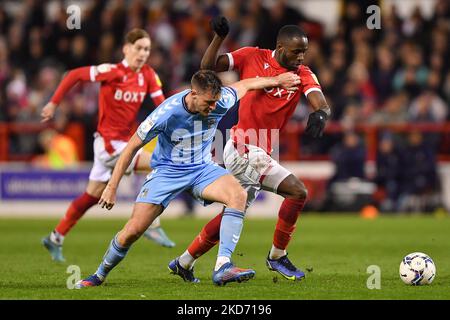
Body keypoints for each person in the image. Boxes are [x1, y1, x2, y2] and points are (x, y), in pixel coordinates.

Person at [75, 69, 301, 288]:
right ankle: (99, 274)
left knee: (238, 196)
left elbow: (246, 84)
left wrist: (278, 80)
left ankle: (223, 266)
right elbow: (131, 147)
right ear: (193, 94)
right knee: (132, 232)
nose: (214, 107)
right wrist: (111, 187)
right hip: (167, 173)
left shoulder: (221, 100)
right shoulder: (167, 113)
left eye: (216, 102)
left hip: (202, 169)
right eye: (208, 103)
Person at [170, 17, 331, 282]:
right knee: (297, 191)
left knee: (234, 211)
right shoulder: (252, 56)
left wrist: (321, 115)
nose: (301, 56)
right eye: (296, 51)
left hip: (262, 151)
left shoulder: (303, 74)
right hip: (243, 146)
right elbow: (207, 67)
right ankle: (275, 256)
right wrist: (218, 38)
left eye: (304, 51)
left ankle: (184, 261)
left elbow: (320, 103)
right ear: (280, 47)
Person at [40, 29, 175, 262]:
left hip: (123, 142)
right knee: (161, 164)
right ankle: (151, 223)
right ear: (126, 48)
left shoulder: (149, 75)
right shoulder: (112, 71)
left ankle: (55, 237)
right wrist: (53, 103)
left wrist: (174, 123)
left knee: (91, 195)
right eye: (138, 48)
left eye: (147, 49)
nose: (143, 53)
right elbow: (73, 75)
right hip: (109, 145)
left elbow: (160, 106)